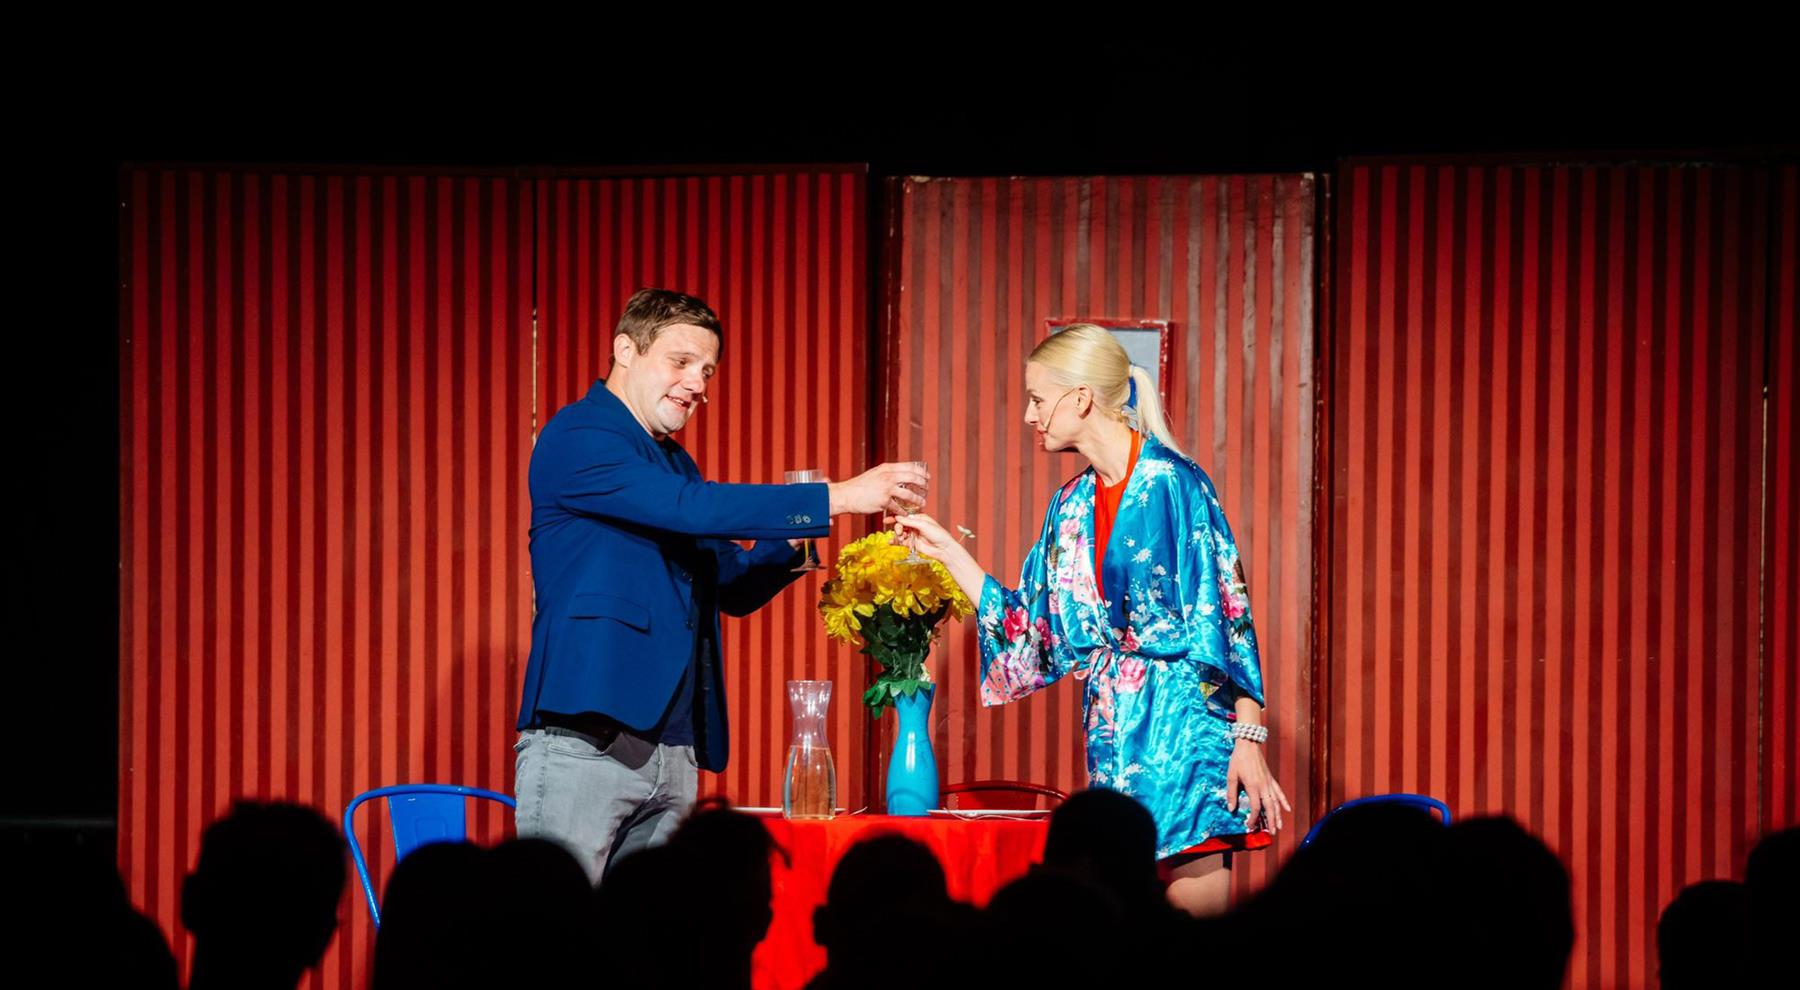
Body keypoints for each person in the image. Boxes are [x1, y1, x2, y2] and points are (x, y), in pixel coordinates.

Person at [514, 287, 927, 882]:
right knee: (557, 925)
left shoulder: (675, 463)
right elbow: (689, 507)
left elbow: (729, 581)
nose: (697, 384)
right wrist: (835, 497)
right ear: (625, 350)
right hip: (589, 737)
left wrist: (797, 539)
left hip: (674, 747)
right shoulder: (579, 436)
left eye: (706, 370)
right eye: (681, 362)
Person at [892, 323, 1289, 915]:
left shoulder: (1172, 483)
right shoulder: (1071, 504)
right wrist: (947, 551)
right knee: (1122, 912)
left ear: (1080, 398)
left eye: (1037, 399)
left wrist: (1248, 739)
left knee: (1190, 921)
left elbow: (1227, 611)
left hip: (1184, 720)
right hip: (1111, 724)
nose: (1029, 415)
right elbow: (1030, 624)